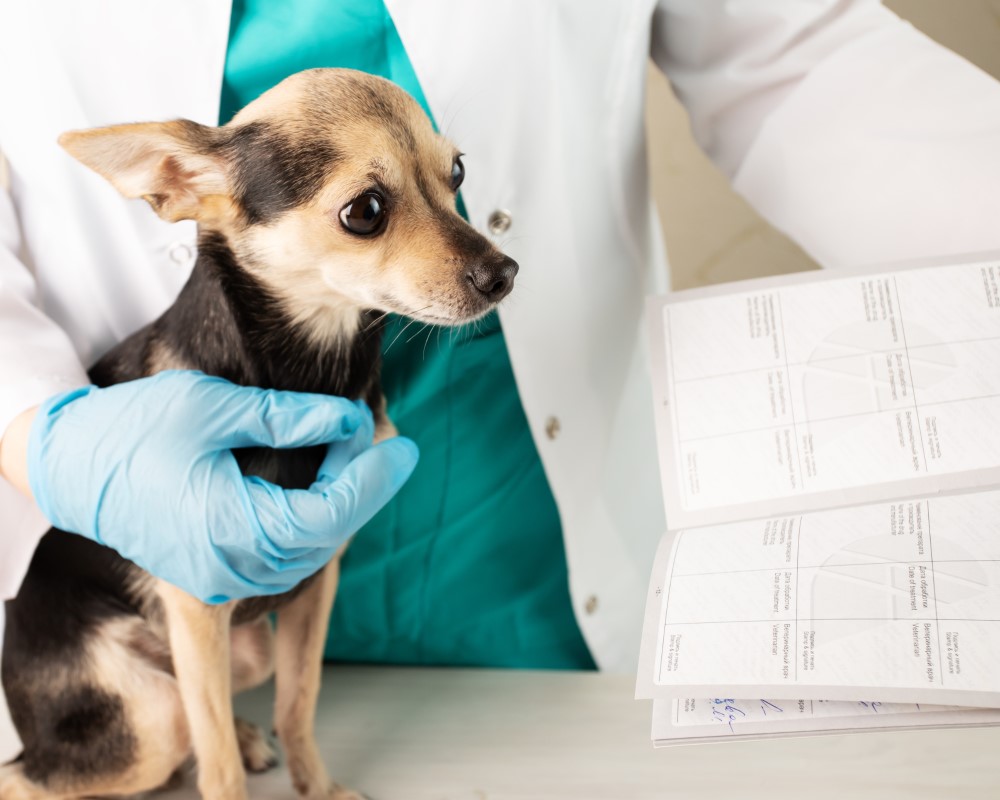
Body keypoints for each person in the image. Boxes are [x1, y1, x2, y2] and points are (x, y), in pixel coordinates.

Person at [2, 0, 1000, 750]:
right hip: (126, 587)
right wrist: (36, 427)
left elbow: (792, 57)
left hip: (528, 552)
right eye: (367, 211)